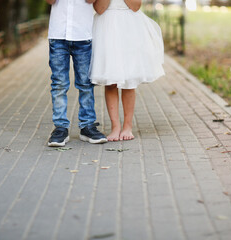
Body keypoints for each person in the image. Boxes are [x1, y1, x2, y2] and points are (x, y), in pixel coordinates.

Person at [90, 0, 165, 141]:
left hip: (129, 29)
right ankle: (115, 126)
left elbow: (135, 6)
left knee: (129, 80)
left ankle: (127, 126)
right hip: (106, 28)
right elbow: (99, 8)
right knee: (110, 80)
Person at [46, 0, 108, 147]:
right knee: (59, 84)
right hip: (58, 34)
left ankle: (87, 126)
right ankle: (60, 128)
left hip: (83, 35)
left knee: (85, 84)